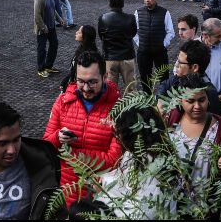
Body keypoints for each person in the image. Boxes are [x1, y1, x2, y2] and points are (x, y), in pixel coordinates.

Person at [43, 51, 122, 207]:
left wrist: (71, 155)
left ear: (105, 77)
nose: (86, 88)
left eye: (92, 82)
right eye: (81, 81)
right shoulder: (62, 102)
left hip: (101, 197)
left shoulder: (118, 108)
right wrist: (58, 137)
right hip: (65, 194)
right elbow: (45, 146)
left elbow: (115, 159)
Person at [94, 105, 168, 219]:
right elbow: (125, 182)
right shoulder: (138, 154)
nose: (117, 137)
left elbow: (141, 214)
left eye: (119, 132)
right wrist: (103, 179)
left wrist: (103, 194)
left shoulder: (155, 167)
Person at [167, 74, 221, 186]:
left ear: (208, 99)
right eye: (190, 101)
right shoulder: (170, 120)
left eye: (201, 100)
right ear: (180, 100)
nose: (197, 106)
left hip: (207, 198)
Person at [134, 0, 175, 95]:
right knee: (145, 77)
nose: (147, 0)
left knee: (163, 77)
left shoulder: (165, 13)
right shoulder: (138, 12)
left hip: (160, 51)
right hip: (143, 51)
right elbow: (134, 31)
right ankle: (148, 101)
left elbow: (170, 32)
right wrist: (140, 43)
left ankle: (163, 100)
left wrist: (163, 44)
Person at [98, 0, 138, 94]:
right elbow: (133, 33)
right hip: (127, 56)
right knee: (131, 88)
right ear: (123, 4)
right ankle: (132, 108)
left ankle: (111, 108)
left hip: (110, 57)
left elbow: (101, 36)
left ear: (110, 4)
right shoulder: (130, 18)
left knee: (110, 89)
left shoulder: (103, 18)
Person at [34, 0, 64, 78]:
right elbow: (37, 15)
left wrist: (59, 19)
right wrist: (43, 28)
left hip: (51, 27)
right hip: (42, 29)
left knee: (54, 45)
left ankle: (48, 66)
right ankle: (41, 69)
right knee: (42, 49)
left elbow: (53, 10)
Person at [60, 25, 99, 93]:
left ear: (85, 36)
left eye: (79, 32)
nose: (76, 32)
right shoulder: (81, 49)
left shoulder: (88, 56)